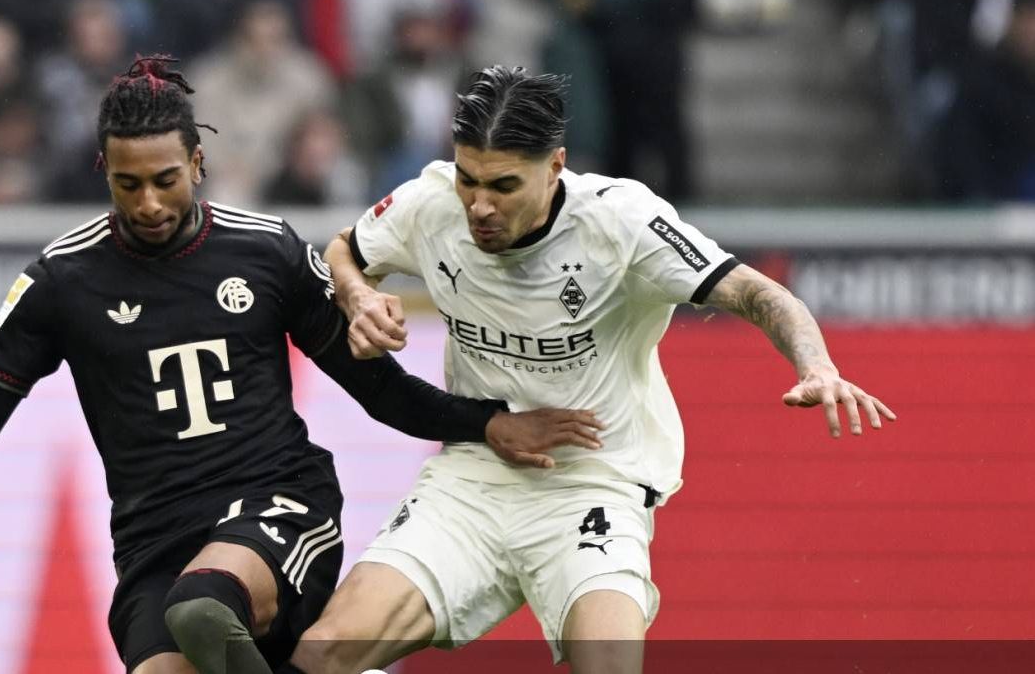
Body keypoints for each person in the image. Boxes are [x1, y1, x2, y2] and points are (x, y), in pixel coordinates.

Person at [0, 57, 603, 674]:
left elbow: (377, 390)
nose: (149, 203)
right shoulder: (60, 281)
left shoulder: (264, 251)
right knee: (176, 635)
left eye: (165, 180)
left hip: (275, 505)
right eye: (127, 184)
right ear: (102, 170)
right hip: (153, 540)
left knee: (201, 608)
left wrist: (486, 422)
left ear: (197, 163)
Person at [291, 66, 898, 674]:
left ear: (555, 166)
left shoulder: (621, 221)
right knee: (324, 653)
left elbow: (755, 293)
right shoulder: (429, 202)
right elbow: (345, 248)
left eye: (503, 185)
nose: (479, 205)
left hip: (595, 481)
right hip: (474, 475)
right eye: (467, 179)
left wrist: (816, 365)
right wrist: (358, 296)